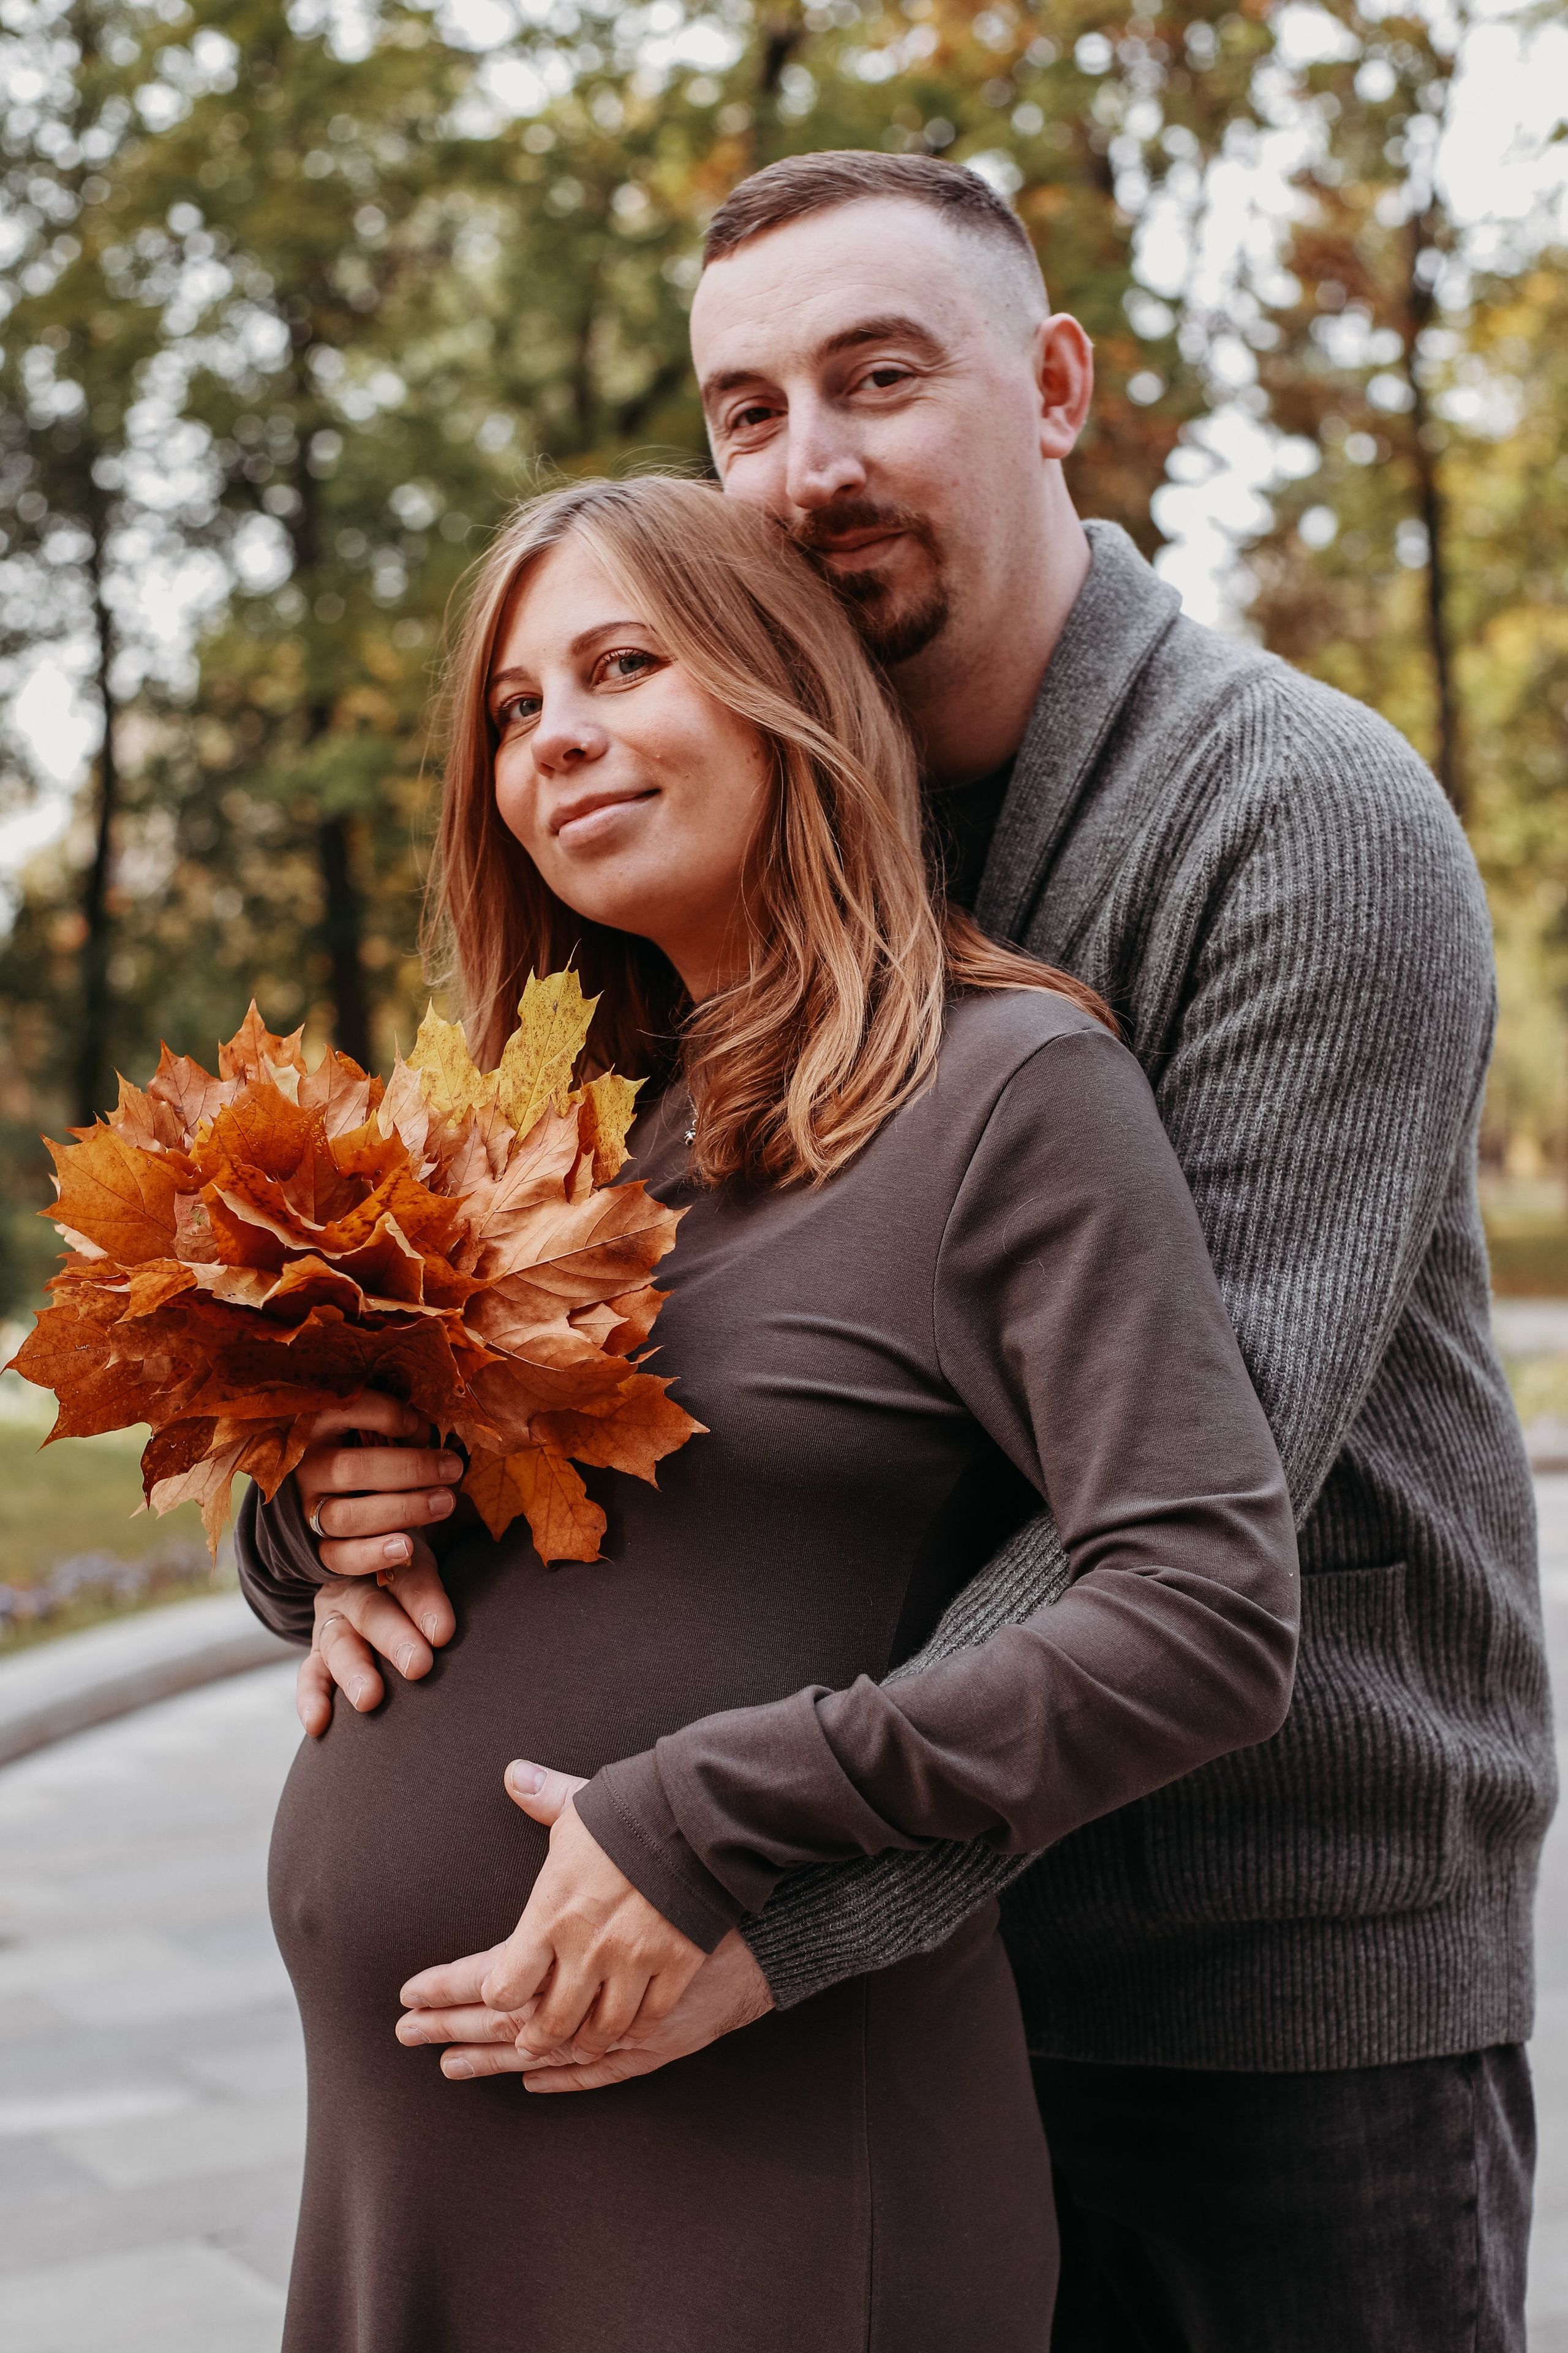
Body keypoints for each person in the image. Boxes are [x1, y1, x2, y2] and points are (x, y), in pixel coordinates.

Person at [281, 155, 1553, 2351]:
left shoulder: (1295, 823)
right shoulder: (736, 878)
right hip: (896, 1986)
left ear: (1054, 386)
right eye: (747, 411)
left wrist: (751, 1894)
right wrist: (334, 1519)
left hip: (1254, 1992)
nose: (808, 466)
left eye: (879, 380)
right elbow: (668, 1387)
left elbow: (1155, 1521)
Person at [236, 473, 1297, 2350]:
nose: (554, 731)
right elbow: (388, 1516)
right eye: (511, 707)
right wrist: (317, 1512)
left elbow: (1204, 1608)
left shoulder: (1004, 1091)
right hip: (411, 2186)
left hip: (767, 2172)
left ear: (781, 689)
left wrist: (712, 1809)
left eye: (621, 664)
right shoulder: (517, 1139)